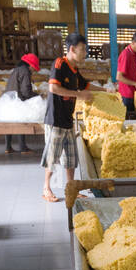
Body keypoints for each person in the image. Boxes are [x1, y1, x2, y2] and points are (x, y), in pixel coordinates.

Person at [41, 32, 94, 203]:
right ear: (72, 49)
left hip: (68, 120)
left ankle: (71, 188)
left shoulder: (74, 70)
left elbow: (86, 85)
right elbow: (53, 89)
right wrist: (78, 94)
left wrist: (106, 91)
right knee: (53, 156)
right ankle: (46, 188)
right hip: (55, 119)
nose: (85, 53)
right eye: (83, 49)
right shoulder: (60, 64)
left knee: (71, 157)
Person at [4, 51, 39, 153]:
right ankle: (23, 148)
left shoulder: (17, 70)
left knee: (9, 123)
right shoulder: (25, 71)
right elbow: (25, 91)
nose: (34, 71)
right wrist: (37, 96)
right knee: (21, 121)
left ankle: (8, 147)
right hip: (17, 101)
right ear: (30, 65)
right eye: (34, 68)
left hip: (8, 100)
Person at [115, 31, 136, 119]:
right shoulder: (126, 55)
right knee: (129, 121)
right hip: (126, 95)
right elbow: (119, 77)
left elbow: (131, 74)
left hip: (133, 93)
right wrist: (135, 84)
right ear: (133, 43)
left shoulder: (133, 54)